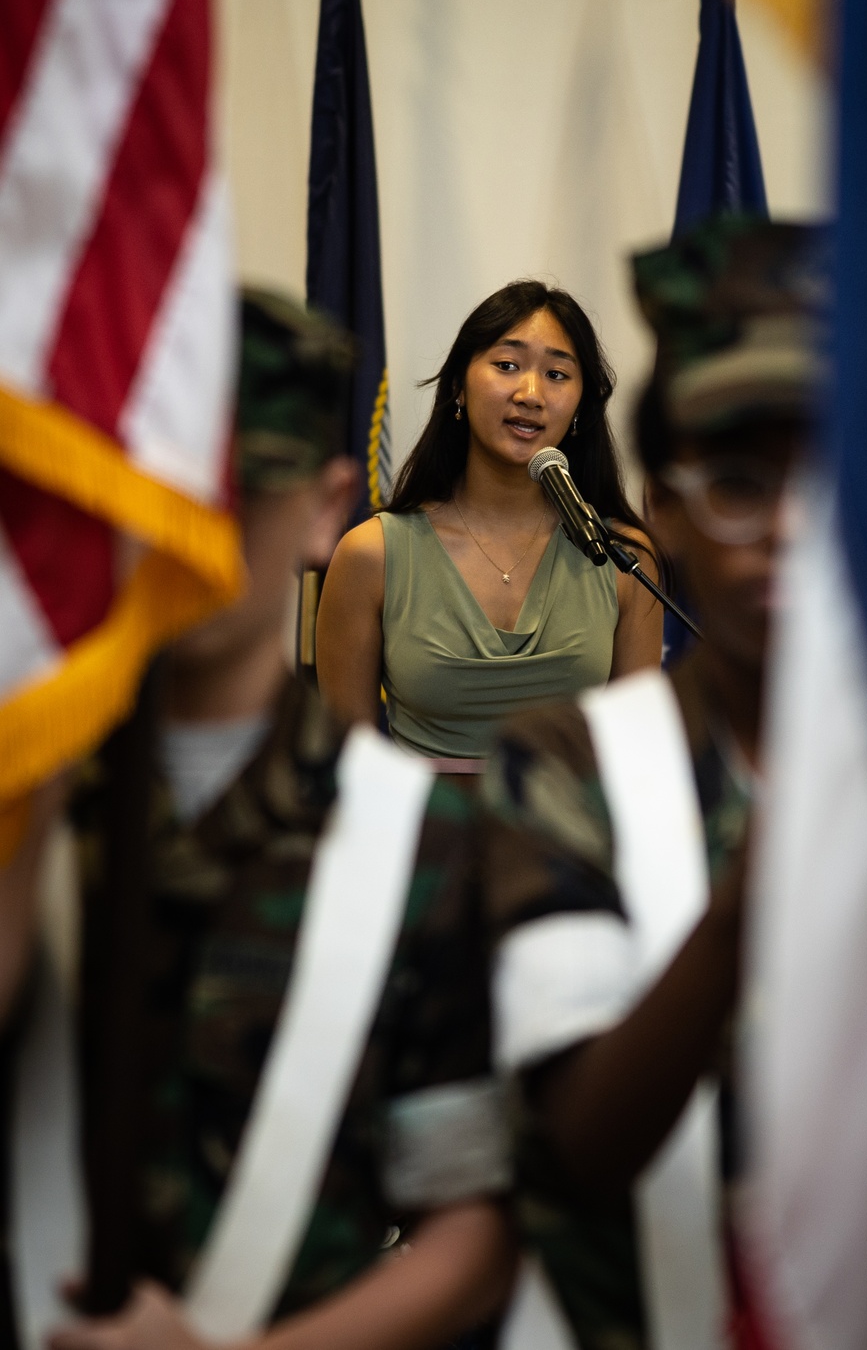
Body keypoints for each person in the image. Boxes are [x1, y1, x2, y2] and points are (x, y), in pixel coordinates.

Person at [5, 290, 515, 1350]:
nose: (188, 535)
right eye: (164, 492)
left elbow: (468, 1234)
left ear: (327, 507)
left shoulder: (423, 838)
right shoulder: (28, 795)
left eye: (235, 493)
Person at [477, 217, 825, 1350]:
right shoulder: (568, 762)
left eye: (836, 484)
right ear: (662, 517)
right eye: (735, 486)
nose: (788, 531)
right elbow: (574, 1148)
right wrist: (750, 902)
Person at [316, 281, 662, 766]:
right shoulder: (371, 554)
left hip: (572, 838)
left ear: (582, 404)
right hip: (419, 834)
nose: (531, 394)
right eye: (507, 366)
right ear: (459, 384)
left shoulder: (624, 558)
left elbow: (637, 759)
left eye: (558, 374)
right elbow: (341, 765)